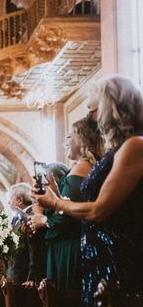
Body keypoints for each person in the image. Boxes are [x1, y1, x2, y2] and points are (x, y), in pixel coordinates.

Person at [32, 74, 143, 307]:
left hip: (118, 264)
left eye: (94, 103)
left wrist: (56, 204)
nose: (90, 111)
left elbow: (98, 210)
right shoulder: (116, 150)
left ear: (113, 104)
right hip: (98, 264)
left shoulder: (135, 146)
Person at [30, 120, 102, 290]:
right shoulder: (81, 168)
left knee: (66, 303)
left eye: (69, 136)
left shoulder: (81, 168)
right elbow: (68, 205)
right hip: (67, 244)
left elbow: (68, 218)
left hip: (69, 248)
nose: (65, 142)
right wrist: (56, 193)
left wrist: (43, 220)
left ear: (83, 140)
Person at [7, 183, 46, 286]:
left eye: (10, 199)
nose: (8, 202)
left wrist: (31, 277)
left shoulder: (31, 217)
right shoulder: (17, 218)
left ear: (20, 200)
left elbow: (34, 249)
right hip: (16, 274)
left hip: (25, 277)